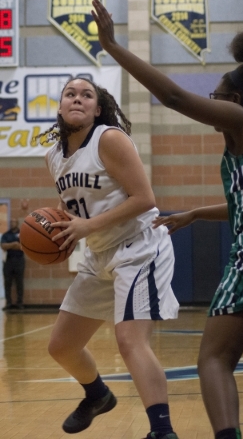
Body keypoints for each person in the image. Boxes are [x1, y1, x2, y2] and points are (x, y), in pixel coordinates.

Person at [91, 0, 243, 439]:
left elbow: (170, 96)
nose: (213, 103)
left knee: (214, 358)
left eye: (217, 96)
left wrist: (113, 46)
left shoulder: (242, 120)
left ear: (234, 99)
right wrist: (194, 213)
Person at [39, 75, 180, 439]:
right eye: (70, 93)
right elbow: (71, 201)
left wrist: (87, 227)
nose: (77, 99)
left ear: (97, 109)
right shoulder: (54, 156)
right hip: (100, 252)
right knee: (62, 346)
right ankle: (98, 395)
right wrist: (59, 227)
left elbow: (144, 198)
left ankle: (162, 431)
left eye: (87, 95)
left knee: (130, 340)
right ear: (60, 105)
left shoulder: (109, 139)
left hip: (139, 247)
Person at [1, 218, 25, 311]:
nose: (12, 223)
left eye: (13, 222)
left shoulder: (22, 234)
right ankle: (8, 303)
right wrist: (15, 244)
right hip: (8, 261)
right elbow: (3, 246)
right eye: (10, 222)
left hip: (19, 260)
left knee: (19, 282)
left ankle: (19, 303)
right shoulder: (6, 235)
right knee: (7, 283)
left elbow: (22, 247)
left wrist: (10, 245)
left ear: (17, 223)